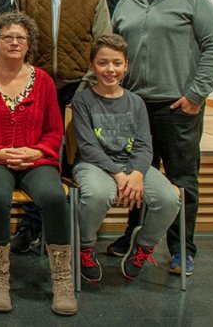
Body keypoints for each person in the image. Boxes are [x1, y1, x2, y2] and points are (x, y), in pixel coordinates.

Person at [111, 0, 213, 275]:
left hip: (177, 108)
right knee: (136, 176)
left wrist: (195, 96)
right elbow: (112, 51)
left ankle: (181, 248)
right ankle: (133, 234)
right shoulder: (126, 3)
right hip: (134, 108)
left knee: (181, 179)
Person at [0, 12, 76, 316]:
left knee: (53, 196)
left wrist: (38, 152)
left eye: (20, 37)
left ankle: (62, 279)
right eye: (6, 37)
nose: (13, 42)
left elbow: (54, 130)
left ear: (29, 44)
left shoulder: (43, 81)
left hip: (35, 159)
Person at [10, 0, 111, 252]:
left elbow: (102, 44)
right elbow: (15, 41)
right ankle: (31, 225)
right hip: (35, 86)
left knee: (68, 161)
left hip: (76, 89)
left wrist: (89, 86)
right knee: (33, 156)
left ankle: (66, 231)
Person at [72, 34, 180, 283]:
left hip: (132, 167)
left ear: (126, 65)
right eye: (103, 63)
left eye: (117, 63)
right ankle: (85, 248)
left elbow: (144, 145)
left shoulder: (136, 102)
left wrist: (138, 174)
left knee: (169, 199)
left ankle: (143, 246)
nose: (110, 69)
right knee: (97, 195)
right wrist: (120, 176)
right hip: (93, 164)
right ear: (92, 65)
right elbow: (88, 147)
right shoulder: (82, 100)